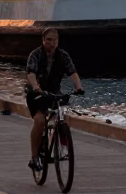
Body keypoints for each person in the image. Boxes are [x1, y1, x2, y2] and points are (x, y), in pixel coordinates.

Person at [26, 28, 84, 170]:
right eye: (49, 40)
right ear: (43, 40)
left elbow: (72, 72)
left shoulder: (63, 55)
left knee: (63, 115)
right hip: (36, 92)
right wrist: (35, 86)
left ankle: (63, 146)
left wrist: (78, 87)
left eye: (55, 40)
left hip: (54, 91)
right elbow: (31, 73)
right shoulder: (35, 55)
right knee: (39, 120)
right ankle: (34, 158)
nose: (52, 43)